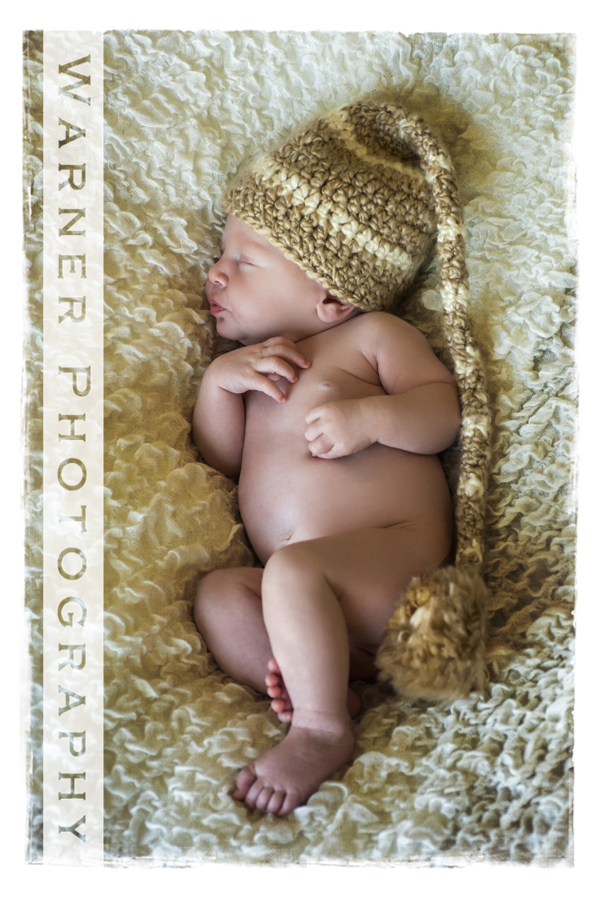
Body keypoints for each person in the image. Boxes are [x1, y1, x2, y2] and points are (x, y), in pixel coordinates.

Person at [192, 101, 465, 817]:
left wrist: (372, 419)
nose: (217, 274)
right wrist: (220, 385)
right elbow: (220, 462)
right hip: (309, 598)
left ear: (334, 297)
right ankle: (331, 684)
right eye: (223, 256)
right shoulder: (251, 367)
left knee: (293, 571)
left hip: (389, 572)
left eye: (244, 262)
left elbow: (441, 414)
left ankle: (319, 728)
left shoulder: (372, 337)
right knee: (220, 597)